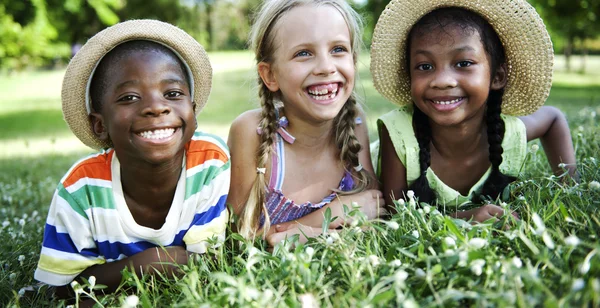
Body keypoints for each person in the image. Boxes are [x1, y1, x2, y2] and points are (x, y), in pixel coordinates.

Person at [34, 20, 230, 296]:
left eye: (172, 94)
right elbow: (57, 290)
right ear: (99, 125)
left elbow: (208, 267)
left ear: (194, 112)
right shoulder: (80, 189)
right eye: (129, 97)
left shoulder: (209, 161)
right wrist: (150, 263)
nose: (156, 107)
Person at [371, 0, 577, 222]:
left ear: (497, 77)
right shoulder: (398, 134)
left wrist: (571, 187)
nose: (442, 81)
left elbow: (553, 118)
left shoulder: (508, 133)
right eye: (425, 66)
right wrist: (466, 217)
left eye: (463, 63)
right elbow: (396, 216)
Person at [227, 0, 384, 245]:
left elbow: (373, 208)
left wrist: (295, 235)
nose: (325, 67)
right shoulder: (252, 132)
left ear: (353, 60)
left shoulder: (354, 122)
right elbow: (238, 238)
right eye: (304, 53)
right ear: (270, 75)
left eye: (338, 49)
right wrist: (326, 219)